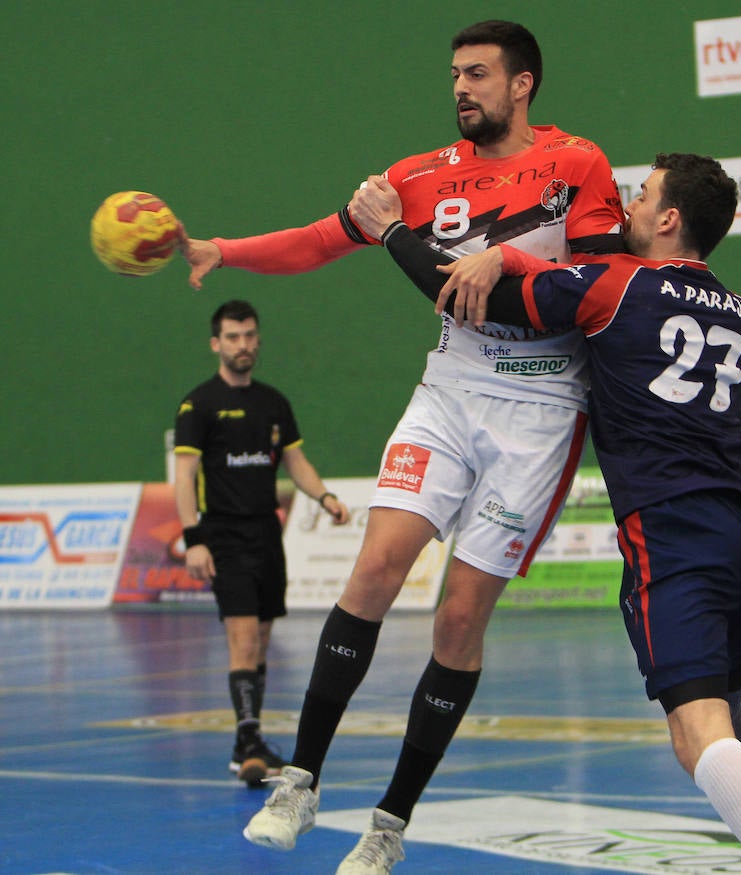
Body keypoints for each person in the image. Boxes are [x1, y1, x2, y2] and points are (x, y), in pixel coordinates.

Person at [179, 20, 624, 873]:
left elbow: (594, 283)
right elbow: (318, 239)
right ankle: (300, 780)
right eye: (455, 74)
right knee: (375, 568)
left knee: (458, 618)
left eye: (480, 74)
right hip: (450, 393)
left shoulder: (578, 164)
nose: (462, 88)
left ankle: (388, 823)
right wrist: (222, 250)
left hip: (538, 411)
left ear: (523, 83)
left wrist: (504, 261)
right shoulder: (417, 177)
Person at [351, 153, 741, 874]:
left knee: (697, 734)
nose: (625, 207)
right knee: (728, 722)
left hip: (672, 534)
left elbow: (475, 301)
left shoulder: (614, 284)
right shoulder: (736, 306)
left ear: (668, 219)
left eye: (642, 197)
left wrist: (391, 233)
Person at [173, 299, 350, 787]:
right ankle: (249, 740)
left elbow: (295, 462)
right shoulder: (198, 405)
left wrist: (324, 496)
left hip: (267, 535)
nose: (243, 344)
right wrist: (195, 539)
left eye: (250, 335)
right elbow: (184, 475)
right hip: (223, 537)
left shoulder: (274, 403)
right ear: (216, 344)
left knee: (263, 641)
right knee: (243, 638)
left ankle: (244, 742)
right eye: (233, 337)